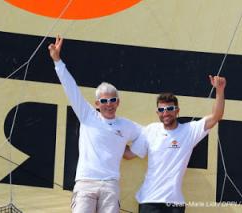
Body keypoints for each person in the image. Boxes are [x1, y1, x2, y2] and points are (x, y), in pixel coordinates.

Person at [48, 36, 141, 213]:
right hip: (85, 184)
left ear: (118, 102)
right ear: (97, 104)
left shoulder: (127, 125)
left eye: (113, 100)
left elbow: (150, 136)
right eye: (104, 101)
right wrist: (57, 61)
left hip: (110, 186)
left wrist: (132, 152)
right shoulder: (87, 115)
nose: (109, 104)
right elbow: (71, 88)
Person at [124, 76, 226, 213]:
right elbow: (129, 154)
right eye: (161, 110)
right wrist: (112, 138)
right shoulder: (151, 130)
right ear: (157, 113)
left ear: (177, 111)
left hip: (175, 204)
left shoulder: (189, 131)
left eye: (169, 109)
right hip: (149, 200)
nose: (165, 113)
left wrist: (220, 90)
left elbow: (216, 116)